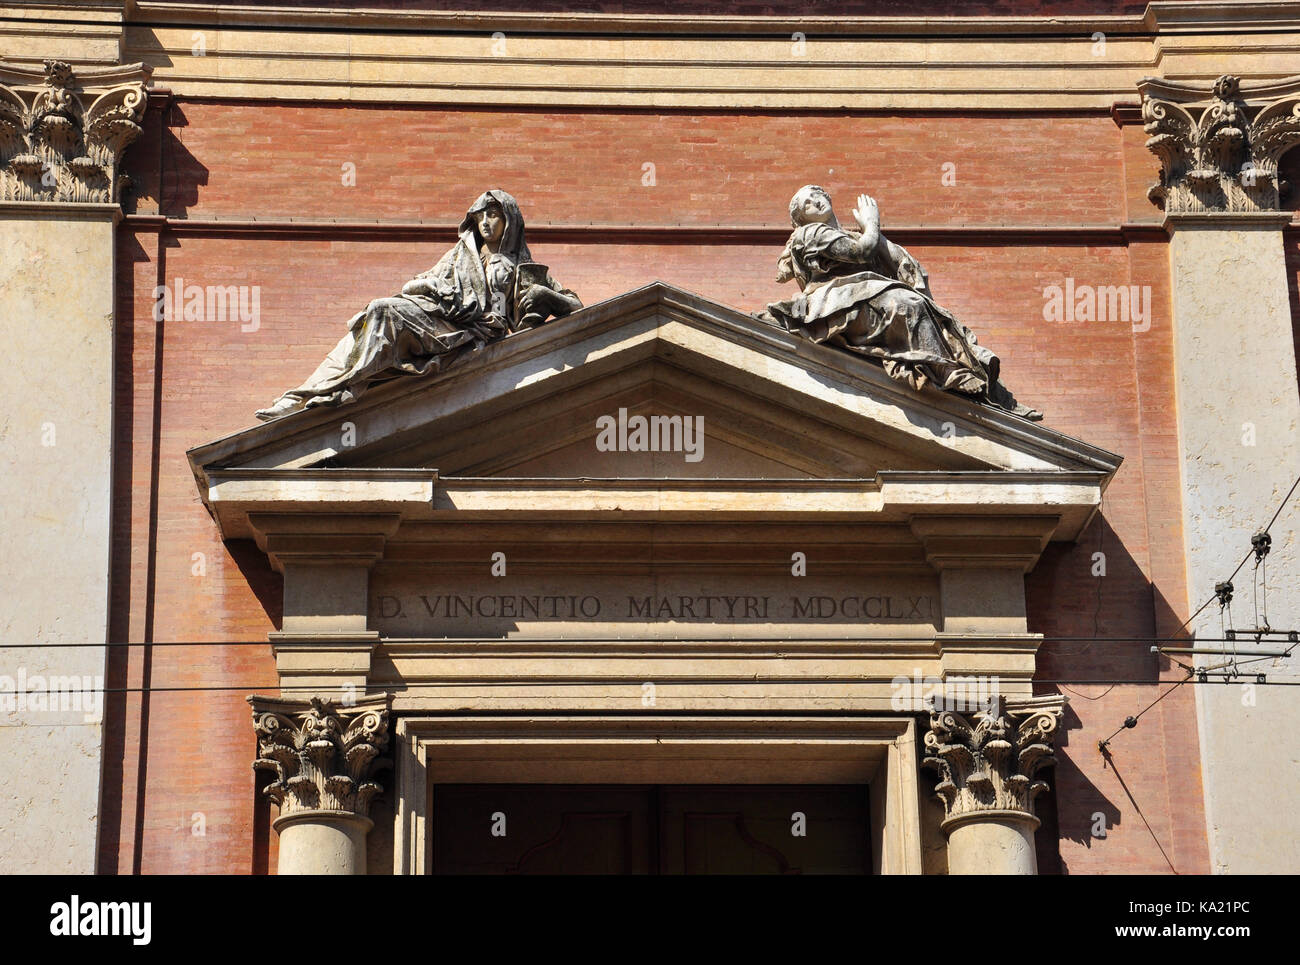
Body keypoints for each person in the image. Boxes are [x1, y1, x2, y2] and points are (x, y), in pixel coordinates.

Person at [255, 189, 581, 421]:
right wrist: (441, 290)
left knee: (383, 316)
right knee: (381, 311)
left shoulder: (524, 267)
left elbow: (574, 305)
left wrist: (545, 296)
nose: (485, 223)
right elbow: (414, 284)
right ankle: (312, 393)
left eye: (493, 215)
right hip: (445, 319)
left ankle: (324, 391)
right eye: (480, 216)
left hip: (480, 333)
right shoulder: (459, 256)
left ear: (509, 220)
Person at [759, 184, 1041, 420]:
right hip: (838, 298)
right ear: (801, 219)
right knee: (907, 305)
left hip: (865, 294)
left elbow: (906, 267)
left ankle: (993, 395)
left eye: (815, 194)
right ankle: (945, 369)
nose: (814, 201)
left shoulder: (853, 233)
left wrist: (874, 234)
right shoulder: (808, 235)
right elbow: (860, 252)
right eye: (806, 203)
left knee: (947, 326)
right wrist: (872, 225)